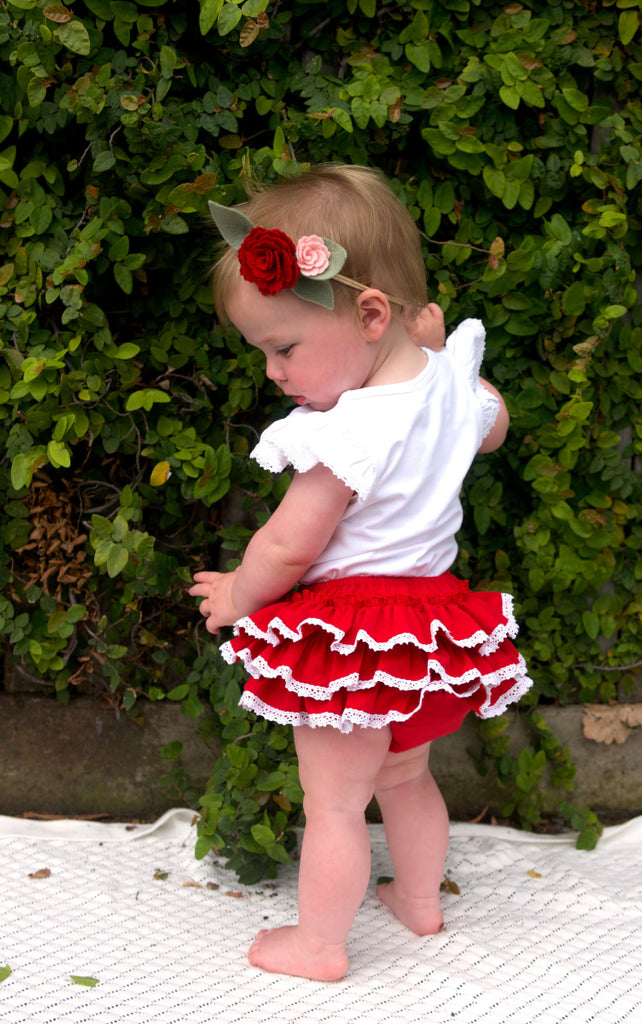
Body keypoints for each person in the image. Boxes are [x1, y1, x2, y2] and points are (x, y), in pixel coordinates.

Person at [190, 164, 533, 982]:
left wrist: (236, 593)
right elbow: (493, 426)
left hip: (354, 638)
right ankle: (418, 901)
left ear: (371, 315)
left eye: (283, 348)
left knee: (335, 804)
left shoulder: (347, 434)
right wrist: (430, 352)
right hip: (433, 633)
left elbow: (287, 547)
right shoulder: (449, 382)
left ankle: (318, 945)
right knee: (406, 775)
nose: (273, 372)